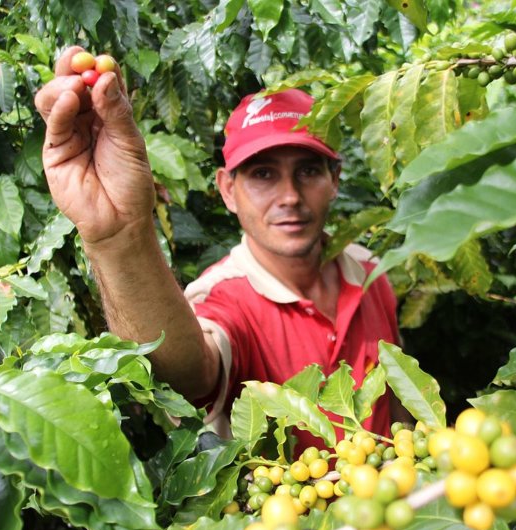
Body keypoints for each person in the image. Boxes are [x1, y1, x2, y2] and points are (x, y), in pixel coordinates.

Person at [34, 47, 409, 450]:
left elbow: (400, 399)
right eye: (263, 174)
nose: (289, 196)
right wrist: (121, 237)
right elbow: (188, 377)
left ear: (335, 180)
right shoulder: (223, 298)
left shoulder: (370, 270)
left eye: (308, 171)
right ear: (227, 190)